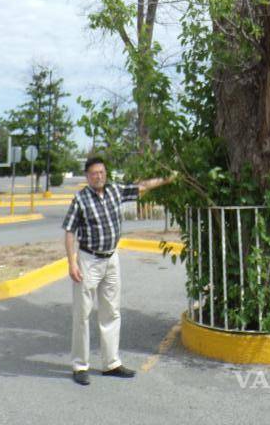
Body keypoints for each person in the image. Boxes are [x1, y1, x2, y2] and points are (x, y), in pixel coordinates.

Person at [62, 155, 170, 385]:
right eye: (93, 173)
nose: (98, 176)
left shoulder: (115, 191)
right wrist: (71, 263)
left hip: (111, 259)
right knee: (82, 314)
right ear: (87, 177)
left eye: (101, 172)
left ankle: (111, 363)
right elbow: (69, 232)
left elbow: (142, 187)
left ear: (106, 173)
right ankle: (80, 365)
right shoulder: (80, 199)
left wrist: (168, 178)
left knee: (111, 311)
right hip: (88, 260)